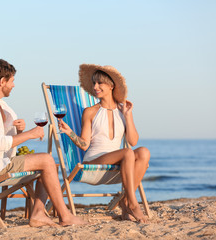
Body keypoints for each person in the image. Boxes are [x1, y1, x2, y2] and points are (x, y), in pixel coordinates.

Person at [0, 59, 85, 227]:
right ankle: (65, 216)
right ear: (2, 81)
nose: (13, 85)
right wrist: (29, 134)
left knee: (49, 165)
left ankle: (39, 214)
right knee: (46, 160)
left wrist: (19, 130)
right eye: (11, 81)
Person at [58, 64, 150, 223]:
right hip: (94, 161)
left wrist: (128, 115)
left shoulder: (123, 111)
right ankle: (132, 204)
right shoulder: (90, 111)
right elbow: (85, 145)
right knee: (127, 152)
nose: (95, 87)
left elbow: (133, 141)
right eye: (94, 83)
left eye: (99, 83)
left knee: (144, 152)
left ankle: (126, 202)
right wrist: (70, 132)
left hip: (118, 163)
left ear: (111, 86)